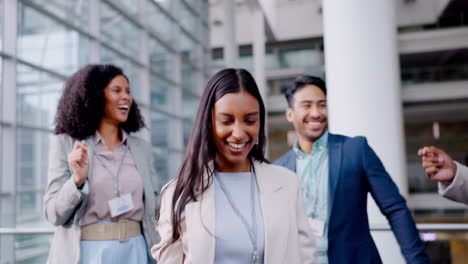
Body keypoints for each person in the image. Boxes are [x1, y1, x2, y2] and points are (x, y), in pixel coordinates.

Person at [151, 68, 317, 264]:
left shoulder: (287, 183)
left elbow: (307, 258)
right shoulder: (177, 193)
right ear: (209, 123)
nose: (238, 133)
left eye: (250, 121)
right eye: (226, 121)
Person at [274, 75, 429, 264]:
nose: (316, 113)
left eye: (322, 105)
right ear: (290, 114)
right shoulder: (279, 169)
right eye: (306, 105)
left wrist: (417, 261)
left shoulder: (355, 149)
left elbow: (395, 208)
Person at [44, 64, 158, 264]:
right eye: (117, 90)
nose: (126, 97)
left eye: (128, 91)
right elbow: (53, 214)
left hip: (136, 251)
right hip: (88, 254)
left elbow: (154, 205)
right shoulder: (67, 143)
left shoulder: (141, 148)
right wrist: (77, 181)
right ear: (96, 96)